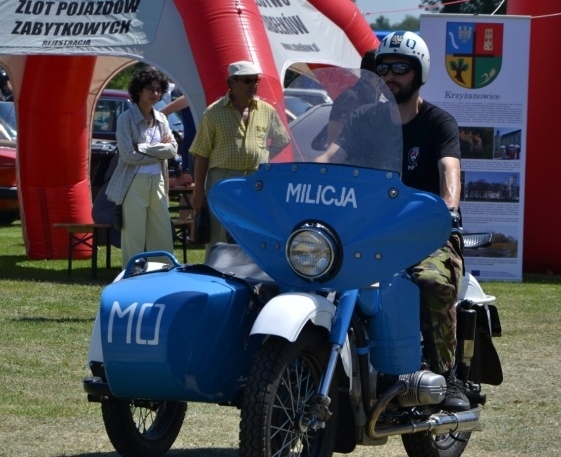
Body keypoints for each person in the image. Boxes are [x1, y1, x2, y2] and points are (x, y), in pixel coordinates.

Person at [317, 31, 467, 411]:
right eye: (384, 68)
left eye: (401, 68)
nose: (390, 76)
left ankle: (447, 376)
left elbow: (449, 168)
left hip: (426, 232)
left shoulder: (437, 122)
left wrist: (447, 209)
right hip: (369, 231)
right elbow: (330, 157)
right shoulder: (363, 118)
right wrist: (299, 181)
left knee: (431, 281)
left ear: (419, 74)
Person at [189, 60, 290, 256]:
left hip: (254, 180)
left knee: (251, 231)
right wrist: (198, 192)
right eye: (247, 81)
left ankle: (249, 275)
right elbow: (201, 155)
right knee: (218, 234)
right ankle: (214, 276)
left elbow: (282, 139)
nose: (253, 85)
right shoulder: (213, 112)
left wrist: (263, 156)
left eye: (255, 80)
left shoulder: (266, 110)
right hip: (222, 179)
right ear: (232, 83)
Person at [105, 66, 178, 265]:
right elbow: (128, 155)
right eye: (150, 88)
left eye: (159, 89)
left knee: (162, 233)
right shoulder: (125, 119)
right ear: (138, 90)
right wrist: (158, 151)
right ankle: (133, 276)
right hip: (133, 183)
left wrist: (144, 148)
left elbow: (172, 149)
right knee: (134, 235)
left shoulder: (162, 118)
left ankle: (162, 274)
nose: (155, 93)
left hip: (158, 181)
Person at [325, 48, 378, 148]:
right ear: (372, 75)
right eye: (383, 70)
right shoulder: (349, 97)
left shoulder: (375, 98)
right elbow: (332, 139)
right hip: (347, 161)